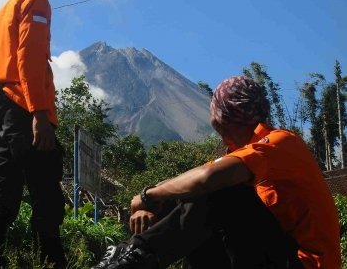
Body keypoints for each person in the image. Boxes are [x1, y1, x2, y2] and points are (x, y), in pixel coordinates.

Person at [92, 76, 340, 269]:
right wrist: (150, 198)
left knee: (219, 191)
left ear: (222, 116)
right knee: (195, 195)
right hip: (274, 256)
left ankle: (134, 257)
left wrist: (147, 197)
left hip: (302, 263)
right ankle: (131, 255)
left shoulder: (280, 142)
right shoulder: (242, 154)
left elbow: (207, 179)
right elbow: (190, 179)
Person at [0, 0, 71, 269]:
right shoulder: (36, 2)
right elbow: (29, 60)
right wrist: (38, 114)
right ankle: (52, 261)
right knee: (46, 191)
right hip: (26, 110)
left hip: (2, 108)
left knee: (4, 189)